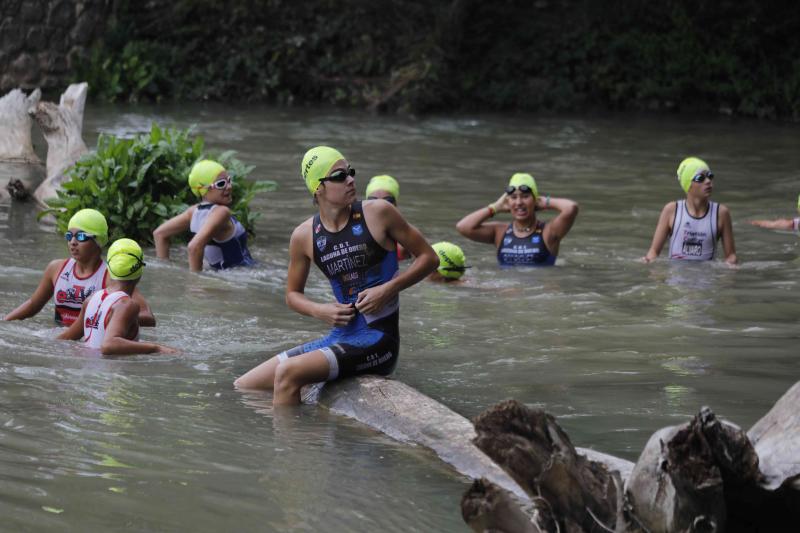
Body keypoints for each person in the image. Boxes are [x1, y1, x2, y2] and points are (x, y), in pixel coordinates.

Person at [234, 146, 438, 405]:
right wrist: (320, 311)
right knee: (245, 385)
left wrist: (388, 289)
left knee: (287, 373)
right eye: (340, 176)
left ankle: (287, 445)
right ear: (318, 187)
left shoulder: (378, 213)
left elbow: (430, 258)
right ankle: (304, 432)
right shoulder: (304, 235)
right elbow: (292, 295)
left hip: (379, 341)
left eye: (350, 172)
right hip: (340, 336)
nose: (351, 180)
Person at [3, 208, 155, 327]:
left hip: (88, 343)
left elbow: (147, 316)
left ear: (98, 241)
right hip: (59, 338)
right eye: (69, 236)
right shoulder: (56, 268)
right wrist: (5, 322)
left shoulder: (112, 276)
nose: (73, 242)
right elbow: (32, 305)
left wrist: (109, 316)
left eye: (81, 236)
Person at [57, 239, 176, 356]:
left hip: (88, 369)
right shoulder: (127, 304)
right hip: (111, 373)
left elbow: (65, 338)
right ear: (140, 271)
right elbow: (109, 345)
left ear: (109, 268)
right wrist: (156, 348)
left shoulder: (91, 299)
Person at [456, 173, 578, 266]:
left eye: (525, 197)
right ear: (507, 202)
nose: (519, 202)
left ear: (535, 200)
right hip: (507, 295)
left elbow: (571, 208)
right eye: (513, 197)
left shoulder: (549, 232)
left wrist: (544, 202)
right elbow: (463, 227)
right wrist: (495, 207)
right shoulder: (500, 232)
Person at [153, 160, 255, 271]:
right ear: (203, 190)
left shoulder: (193, 212)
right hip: (241, 277)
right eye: (221, 184)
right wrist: (196, 282)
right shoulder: (222, 212)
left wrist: (164, 267)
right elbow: (194, 247)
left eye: (229, 180)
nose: (229, 186)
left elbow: (159, 234)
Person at [642, 157, 736, 264]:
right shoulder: (672, 210)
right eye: (700, 178)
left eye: (710, 176)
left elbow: (731, 255)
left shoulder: (721, 213)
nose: (708, 181)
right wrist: (648, 262)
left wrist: (730, 268)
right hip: (676, 278)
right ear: (688, 184)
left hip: (707, 279)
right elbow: (654, 251)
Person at [365, 174, 407, 260]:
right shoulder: (354, 232)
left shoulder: (406, 241)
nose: (380, 205)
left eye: (387, 201)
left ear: (395, 205)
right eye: (373, 200)